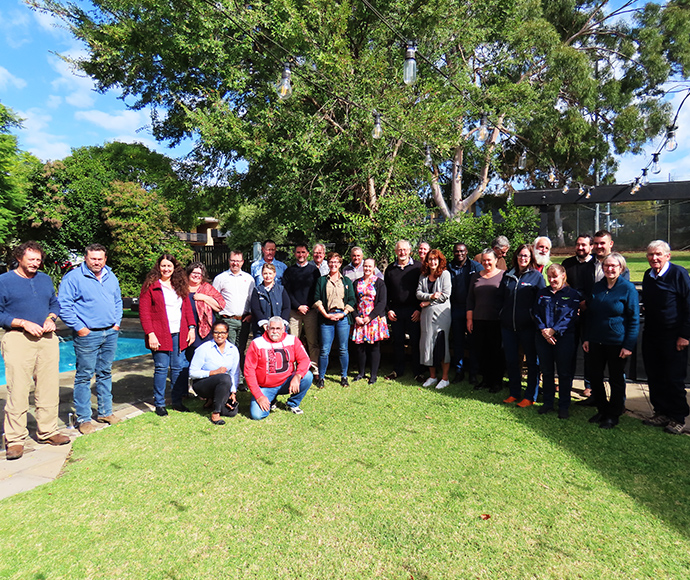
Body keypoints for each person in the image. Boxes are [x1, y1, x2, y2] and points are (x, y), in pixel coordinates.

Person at [0, 241, 70, 460]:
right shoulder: (4, 281)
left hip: (47, 338)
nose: (35, 263)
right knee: (18, 390)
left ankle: (48, 431)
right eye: (31, 259)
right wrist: (20, 322)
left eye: (38, 260)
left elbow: (54, 304)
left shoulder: (45, 279)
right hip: (18, 338)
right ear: (19, 258)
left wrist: (51, 318)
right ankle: (15, 439)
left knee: (48, 386)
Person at [58, 243, 123, 434]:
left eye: (100, 259)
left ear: (105, 259)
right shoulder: (74, 278)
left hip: (110, 332)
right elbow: (64, 305)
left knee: (105, 373)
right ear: (86, 258)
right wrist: (80, 328)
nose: (96, 262)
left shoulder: (111, 276)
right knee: (84, 376)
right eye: (93, 258)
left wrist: (116, 323)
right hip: (88, 335)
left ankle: (105, 412)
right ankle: (84, 418)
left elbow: (117, 301)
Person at [583, 253, 639, 429]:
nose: (610, 269)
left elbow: (634, 319)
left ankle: (613, 414)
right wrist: (586, 338)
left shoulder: (627, 288)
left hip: (617, 343)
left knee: (616, 379)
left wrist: (628, 345)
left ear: (621, 268)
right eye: (607, 265)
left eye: (614, 266)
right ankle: (602, 409)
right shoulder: (597, 287)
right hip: (595, 341)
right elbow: (590, 314)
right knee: (595, 377)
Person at [641, 240, 690, 435]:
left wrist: (684, 335)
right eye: (651, 254)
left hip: (674, 336)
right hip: (652, 333)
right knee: (654, 375)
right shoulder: (648, 275)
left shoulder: (679, 274)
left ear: (667, 256)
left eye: (658, 254)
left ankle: (678, 417)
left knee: (674, 378)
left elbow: (688, 306)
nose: (654, 258)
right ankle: (660, 412)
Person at [139, 254, 196, 416]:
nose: (166, 269)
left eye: (169, 266)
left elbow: (186, 309)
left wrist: (191, 328)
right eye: (163, 266)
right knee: (162, 368)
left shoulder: (179, 284)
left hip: (180, 332)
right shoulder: (151, 286)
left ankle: (177, 401)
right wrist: (150, 334)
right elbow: (144, 313)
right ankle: (159, 403)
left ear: (174, 268)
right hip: (159, 333)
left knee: (178, 367)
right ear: (158, 267)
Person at [499, 244, 545, 405]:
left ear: (531, 258)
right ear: (516, 257)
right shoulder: (508, 275)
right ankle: (514, 392)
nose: (522, 258)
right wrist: (502, 315)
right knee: (511, 361)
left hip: (528, 328)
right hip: (508, 327)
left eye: (526, 256)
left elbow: (542, 302)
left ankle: (530, 396)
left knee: (532, 362)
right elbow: (500, 298)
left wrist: (534, 319)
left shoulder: (536, 277)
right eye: (520, 255)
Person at [533, 264, 581, 419]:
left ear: (563, 276)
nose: (552, 280)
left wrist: (553, 330)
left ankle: (564, 405)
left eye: (555, 276)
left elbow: (571, 316)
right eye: (549, 276)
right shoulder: (542, 293)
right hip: (543, 337)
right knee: (546, 371)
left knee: (564, 373)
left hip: (564, 337)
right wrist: (544, 330)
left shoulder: (572, 294)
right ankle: (548, 403)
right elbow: (535, 312)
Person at [244, 316, 313, 419]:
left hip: (286, 382)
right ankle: (271, 399)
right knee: (257, 415)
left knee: (307, 376)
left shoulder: (292, 340)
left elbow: (305, 360)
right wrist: (259, 396)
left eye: (278, 329)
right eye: (272, 328)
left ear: (283, 329)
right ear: (267, 328)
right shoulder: (257, 343)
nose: (275, 332)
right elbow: (249, 371)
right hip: (266, 386)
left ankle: (292, 403)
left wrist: (297, 376)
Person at [313, 252, 356, 387]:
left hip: (342, 317)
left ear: (340, 264)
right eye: (331, 262)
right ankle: (321, 377)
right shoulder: (322, 280)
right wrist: (325, 314)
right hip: (327, 317)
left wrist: (344, 313)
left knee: (343, 348)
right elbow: (317, 298)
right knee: (325, 349)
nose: (333, 264)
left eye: (336, 262)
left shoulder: (346, 281)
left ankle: (344, 376)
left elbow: (352, 299)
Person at [561, 234, 595, 402]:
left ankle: (589, 385)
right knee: (568, 350)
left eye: (584, 245)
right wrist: (575, 304)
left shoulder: (596, 264)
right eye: (578, 245)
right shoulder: (567, 264)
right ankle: (566, 380)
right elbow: (563, 285)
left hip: (590, 315)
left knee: (589, 351)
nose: (580, 248)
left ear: (591, 247)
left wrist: (585, 304)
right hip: (570, 314)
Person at [384, 240, 423, 382]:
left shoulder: (418, 267)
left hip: (414, 311)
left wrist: (419, 309)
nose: (402, 252)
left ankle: (418, 371)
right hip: (396, 311)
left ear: (410, 251)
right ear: (395, 252)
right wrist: (388, 310)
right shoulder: (390, 269)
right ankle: (397, 370)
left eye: (405, 250)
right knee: (398, 342)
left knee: (416, 342)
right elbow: (385, 293)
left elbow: (424, 289)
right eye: (399, 250)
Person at [466, 249, 505, 392]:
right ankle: (485, 380)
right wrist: (469, 319)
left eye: (489, 260)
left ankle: (496, 382)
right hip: (478, 319)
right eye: (484, 260)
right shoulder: (475, 276)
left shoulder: (503, 275)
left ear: (495, 260)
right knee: (481, 352)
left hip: (496, 320)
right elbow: (470, 299)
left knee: (496, 352)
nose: (486, 262)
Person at [189, 321, 240, 425]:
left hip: (223, 384)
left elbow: (235, 373)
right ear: (212, 333)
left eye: (223, 332)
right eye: (217, 332)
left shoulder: (233, 350)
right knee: (224, 378)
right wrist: (213, 372)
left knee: (231, 412)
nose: (220, 335)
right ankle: (216, 413)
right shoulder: (204, 349)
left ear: (227, 333)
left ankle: (212, 401)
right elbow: (192, 373)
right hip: (202, 384)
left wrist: (233, 392)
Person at [212, 251, 255, 376]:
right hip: (227, 319)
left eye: (238, 261)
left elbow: (252, 299)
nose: (235, 263)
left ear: (242, 262)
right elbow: (214, 297)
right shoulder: (221, 278)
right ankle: (229, 377)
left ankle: (240, 378)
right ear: (229, 261)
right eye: (233, 260)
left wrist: (251, 314)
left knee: (240, 349)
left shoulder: (249, 279)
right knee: (230, 349)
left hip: (244, 320)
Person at [447, 243, 483, 383]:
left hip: (472, 310)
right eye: (456, 251)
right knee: (458, 342)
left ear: (466, 251)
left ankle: (473, 372)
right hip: (455, 309)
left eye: (462, 251)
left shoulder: (475, 267)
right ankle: (459, 371)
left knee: (473, 342)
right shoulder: (449, 267)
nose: (459, 254)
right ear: (453, 252)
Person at [417, 249, 452, 389]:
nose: (432, 262)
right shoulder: (423, 275)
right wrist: (430, 297)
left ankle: (445, 378)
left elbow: (445, 295)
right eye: (430, 259)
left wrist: (428, 303)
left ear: (440, 260)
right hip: (426, 316)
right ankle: (432, 377)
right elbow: (418, 293)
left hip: (442, 315)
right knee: (427, 345)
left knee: (441, 344)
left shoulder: (445, 274)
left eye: (435, 259)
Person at [283, 244, 321, 374]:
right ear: (295, 254)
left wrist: (308, 306)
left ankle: (314, 369)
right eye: (298, 252)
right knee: (294, 342)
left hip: (310, 311)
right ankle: (294, 370)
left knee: (313, 342)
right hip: (294, 312)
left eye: (303, 252)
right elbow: (287, 291)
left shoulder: (314, 270)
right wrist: (298, 306)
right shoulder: (289, 271)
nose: (301, 255)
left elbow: (316, 290)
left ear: (307, 254)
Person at [352, 258, 389, 384]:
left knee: (374, 347)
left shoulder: (379, 283)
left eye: (370, 266)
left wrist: (370, 317)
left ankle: (373, 375)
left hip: (374, 319)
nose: (367, 268)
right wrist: (356, 316)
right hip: (360, 319)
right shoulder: (357, 282)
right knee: (360, 347)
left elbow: (382, 302)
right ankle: (361, 373)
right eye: (365, 266)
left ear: (374, 268)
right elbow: (352, 301)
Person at [250, 263, 290, 336]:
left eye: (270, 273)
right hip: (261, 330)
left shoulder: (281, 289)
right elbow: (255, 308)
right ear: (262, 274)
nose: (268, 276)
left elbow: (286, 307)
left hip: (279, 329)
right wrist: (264, 323)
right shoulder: (257, 290)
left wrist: (282, 324)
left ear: (274, 274)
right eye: (265, 273)